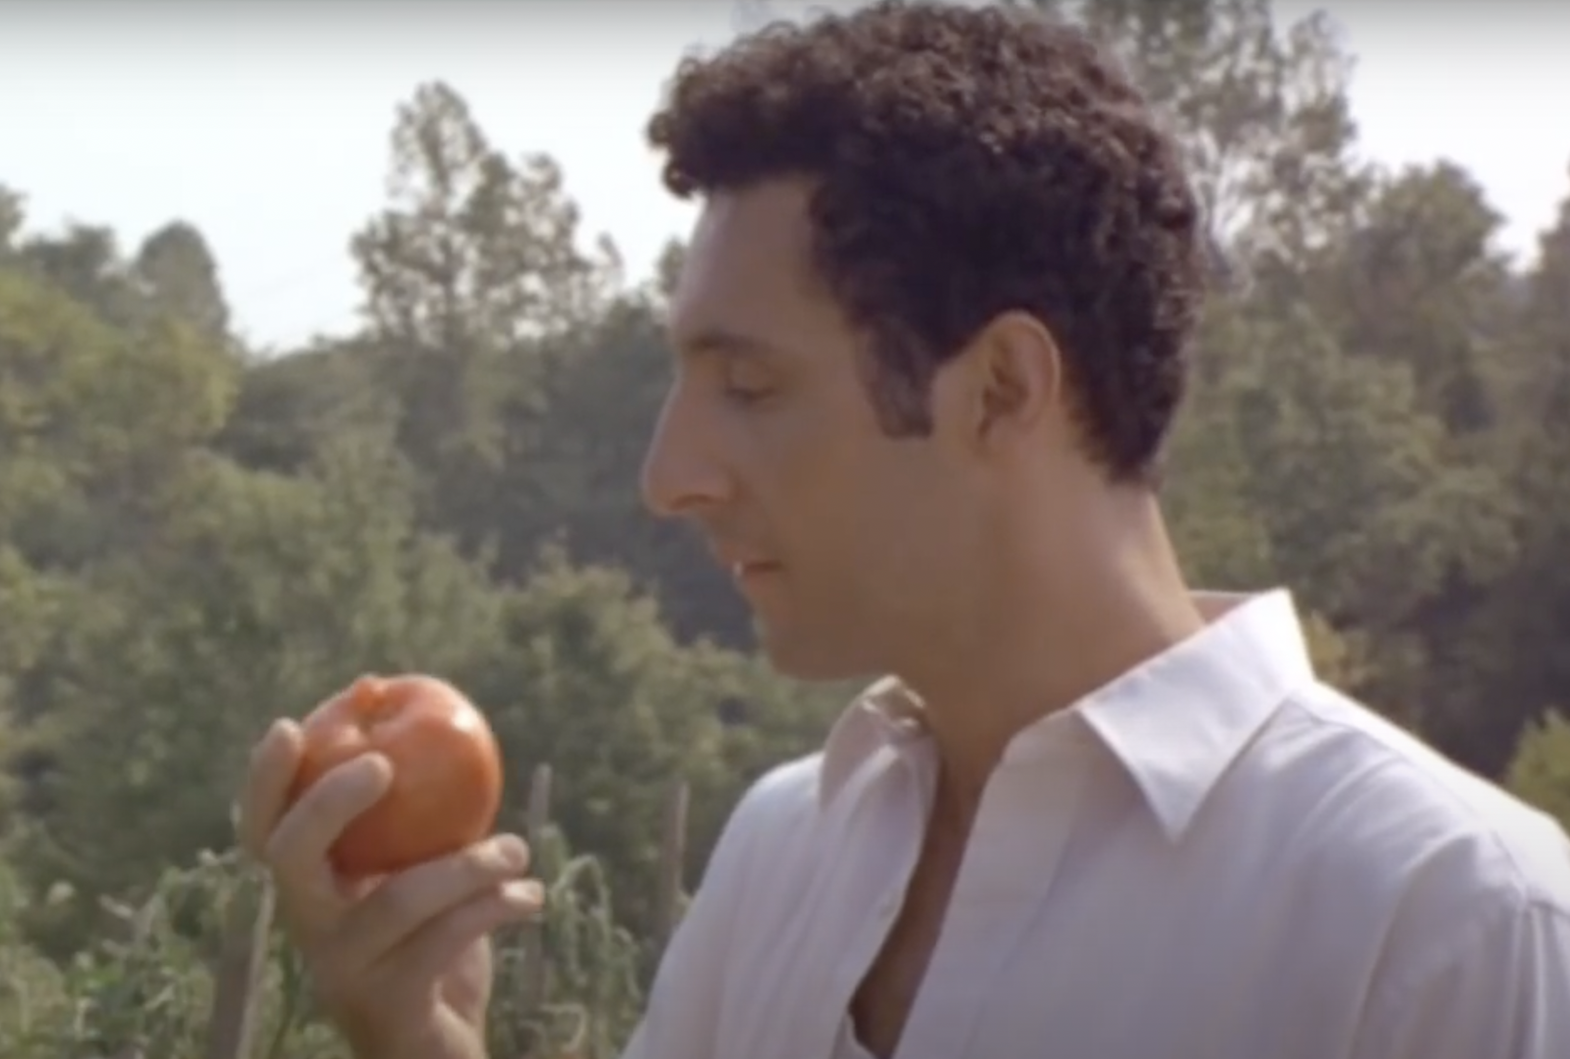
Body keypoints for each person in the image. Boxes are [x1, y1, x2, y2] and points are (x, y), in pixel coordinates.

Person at [238, 2, 1570, 1057]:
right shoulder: (780, 851)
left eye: (750, 387)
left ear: (999, 388)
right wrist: (417, 1040)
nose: (668, 473)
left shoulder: (1452, 927)